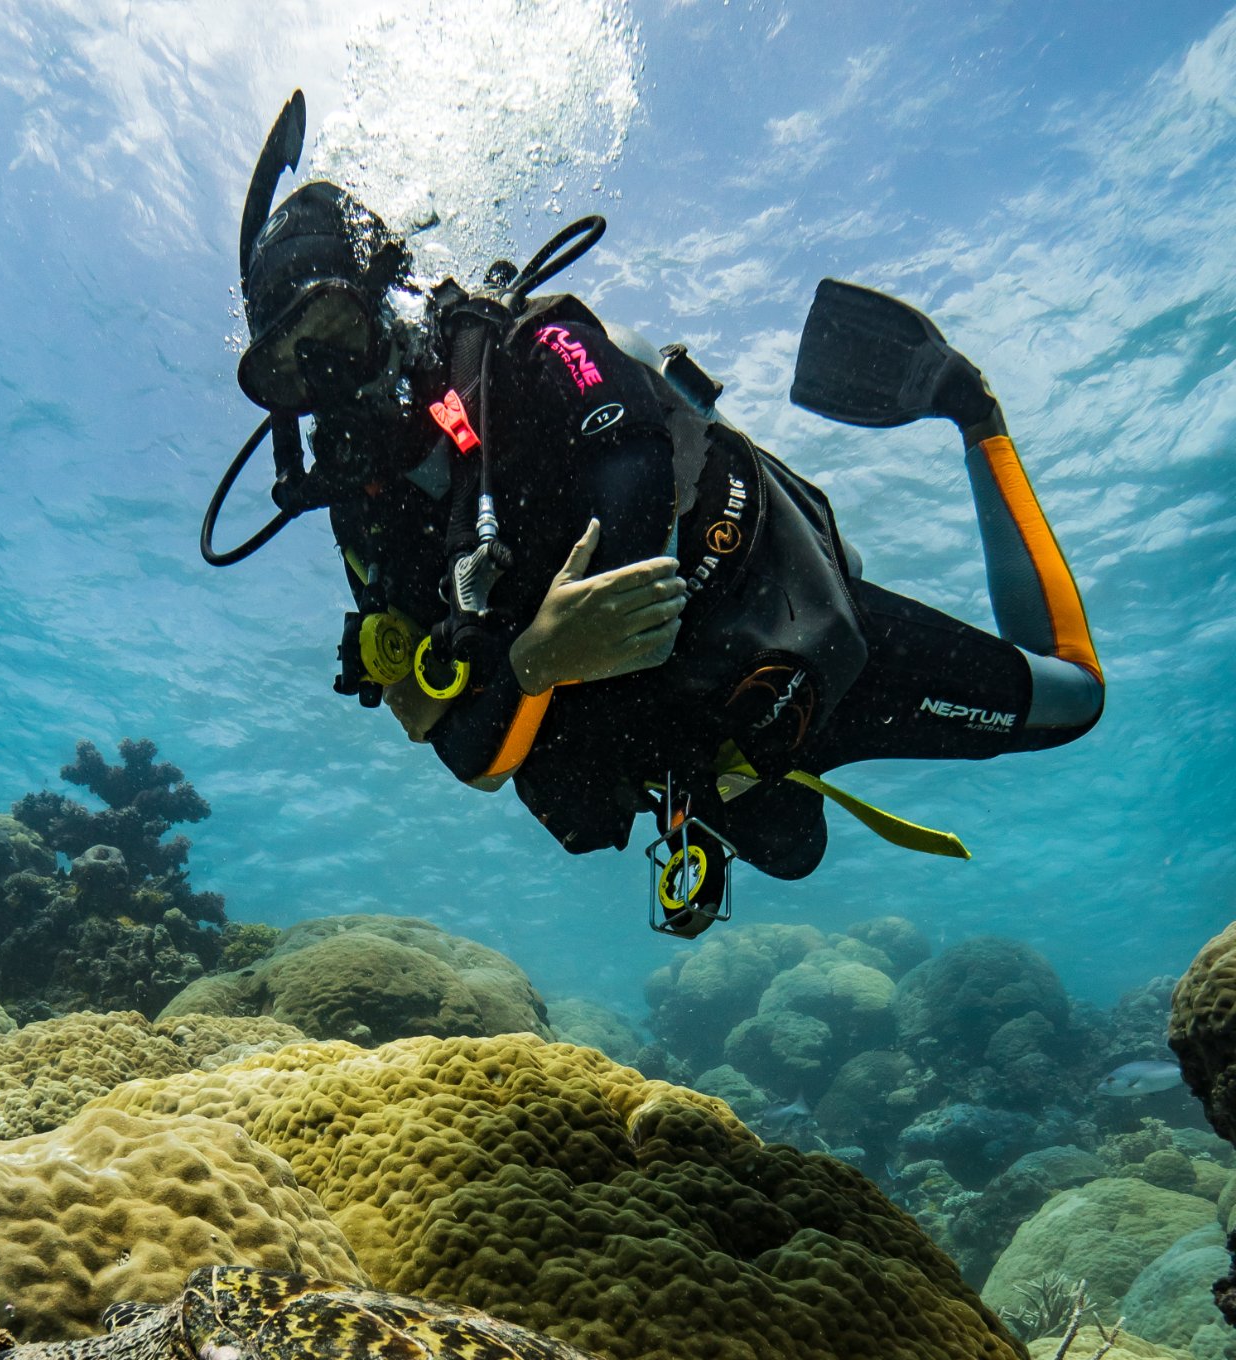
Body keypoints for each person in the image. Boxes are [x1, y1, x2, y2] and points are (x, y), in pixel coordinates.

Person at [203, 94, 1103, 937]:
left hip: (778, 623)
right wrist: (537, 657)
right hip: (680, 739)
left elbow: (633, 485)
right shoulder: (365, 512)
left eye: (336, 330)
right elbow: (468, 756)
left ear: (386, 297)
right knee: (793, 852)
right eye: (290, 368)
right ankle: (733, 783)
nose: (332, 384)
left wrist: (532, 660)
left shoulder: (530, 347)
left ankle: (963, 400)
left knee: (1074, 701)